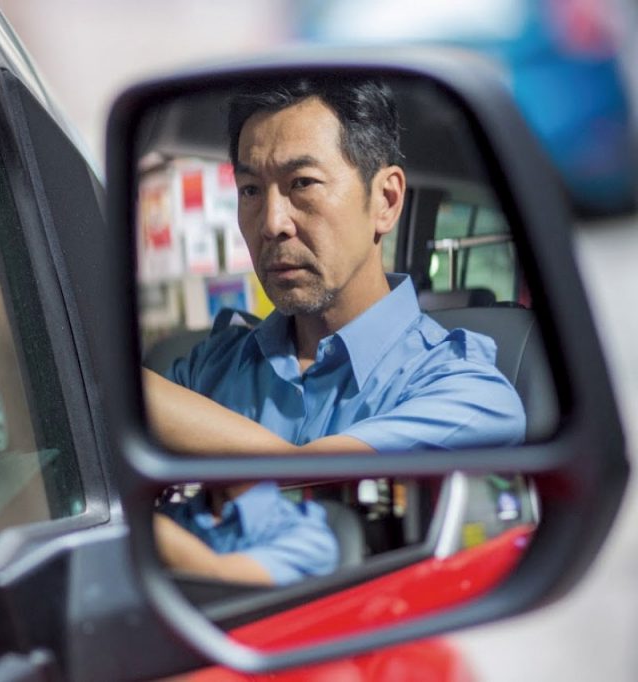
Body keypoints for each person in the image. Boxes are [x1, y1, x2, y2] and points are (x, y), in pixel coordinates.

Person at [146, 76, 526, 586]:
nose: (272, 223)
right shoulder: (210, 366)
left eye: (302, 183)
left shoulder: (467, 390)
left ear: (386, 201)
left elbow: (301, 473)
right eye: (251, 190)